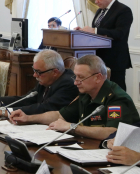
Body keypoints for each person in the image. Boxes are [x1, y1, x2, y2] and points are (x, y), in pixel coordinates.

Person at [9, 55, 140, 140]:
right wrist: (28, 118)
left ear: (98, 77)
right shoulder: (85, 94)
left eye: (81, 77)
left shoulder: (116, 99)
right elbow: (59, 116)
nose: (75, 82)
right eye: (75, 76)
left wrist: (72, 127)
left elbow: (112, 132)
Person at [0, 49, 78, 116]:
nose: (34, 75)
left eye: (38, 72)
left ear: (55, 72)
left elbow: (45, 108)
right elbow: (26, 99)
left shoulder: (68, 84)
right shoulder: (46, 78)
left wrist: (3, 112)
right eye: (34, 70)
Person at [75, 0, 133, 91]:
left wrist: (94, 30)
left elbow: (120, 33)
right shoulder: (100, 11)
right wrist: (83, 31)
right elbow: (99, 31)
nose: (96, 1)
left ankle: (120, 108)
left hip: (115, 59)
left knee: (116, 90)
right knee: (101, 90)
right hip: (99, 57)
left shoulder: (123, 10)